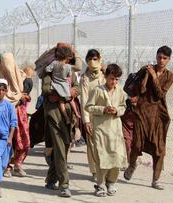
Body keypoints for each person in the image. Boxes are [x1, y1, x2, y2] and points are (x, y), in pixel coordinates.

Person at [124, 46, 173, 190]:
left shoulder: (170, 76)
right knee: (138, 144)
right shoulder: (146, 70)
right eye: (159, 57)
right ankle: (132, 165)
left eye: (165, 58)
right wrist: (146, 74)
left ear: (169, 60)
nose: (161, 60)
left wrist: (153, 76)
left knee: (159, 148)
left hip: (159, 115)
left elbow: (160, 94)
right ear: (156, 56)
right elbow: (140, 90)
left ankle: (155, 180)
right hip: (142, 112)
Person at [41, 43, 81, 198]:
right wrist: (58, 93)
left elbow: (77, 89)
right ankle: (64, 185)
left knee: (63, 147)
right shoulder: (49, 70)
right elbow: (46, 89)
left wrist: (70, 92)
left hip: (68, 116)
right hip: (54, 115)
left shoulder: (71, 71)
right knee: (59, 147)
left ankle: (51, 179)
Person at [85, 64, 127, 197]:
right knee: (102, 157)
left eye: (116, 79)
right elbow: (89, 107)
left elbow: (123, 107)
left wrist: (117, 111)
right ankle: (100, 185)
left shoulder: (120, 91)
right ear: (105, 77)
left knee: (116, 156)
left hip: (115, 129)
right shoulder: (98, 90)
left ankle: (111, 182)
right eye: (111, 78)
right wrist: (103, 109)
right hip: (101, 129)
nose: (113, 82)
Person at [0, 52, 30, 177]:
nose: (8, 67)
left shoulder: (19, 74)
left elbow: (20, 90)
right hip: (4, 112)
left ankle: (18, 164)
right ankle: (7, 166)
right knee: (7, 139)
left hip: (20, 112)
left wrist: (21, 97)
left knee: (23, 139)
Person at [79, 49, 106, 181]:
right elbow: (84, 99)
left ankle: (105, 170)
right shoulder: (85, 78)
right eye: (90, 59)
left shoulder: (105, 75)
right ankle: (95, 171)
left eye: (95, 59)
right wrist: (86, 120)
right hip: (91, 115)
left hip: (105, 115)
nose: (92, 62)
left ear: (100, 59)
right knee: (92, 145)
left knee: (105, 144)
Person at [45, 46, 78, 124]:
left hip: (56, 86)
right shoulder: (68, 67)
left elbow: (47, 69)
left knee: (61, 102)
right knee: (71, 99)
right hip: (65, 86)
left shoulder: (54, 63)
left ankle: (66, 118)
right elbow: (69, 74)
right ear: (67, 58)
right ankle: (76, 112)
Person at [121, 96, 138, 162]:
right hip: (125, 125)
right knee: (127, 143)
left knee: (135, 144)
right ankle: (130, 161)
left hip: (136, 127)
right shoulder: (126, 103)